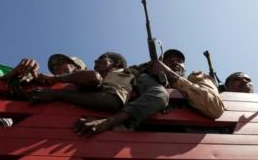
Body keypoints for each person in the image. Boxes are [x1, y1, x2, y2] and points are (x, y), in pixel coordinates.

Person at [75, 49, 225, 137]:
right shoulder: (143, 77)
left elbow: (215, 108)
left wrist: (172, 76)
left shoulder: (197, 78)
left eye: (179, 60)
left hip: (192, 139)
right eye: (168, 60)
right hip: (145, 139)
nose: (174, 62)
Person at [27, 52, 135, 112]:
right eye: (54, 67)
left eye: (62, 63)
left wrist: (57, 94)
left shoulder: (120, 74)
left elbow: (112, 101)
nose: (95, 61)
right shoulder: (50, 83)